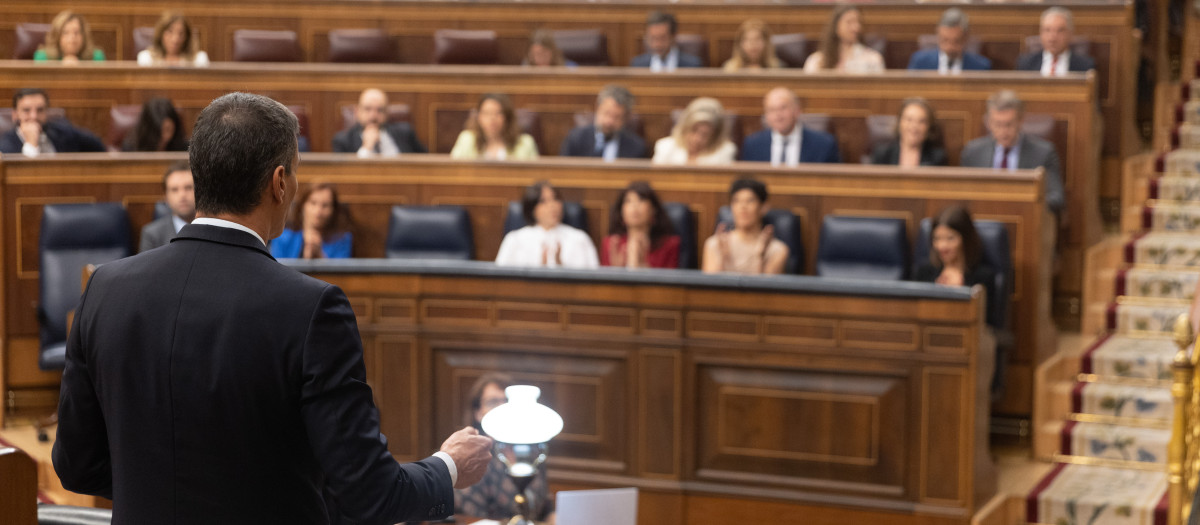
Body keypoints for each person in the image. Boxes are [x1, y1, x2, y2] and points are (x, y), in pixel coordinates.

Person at [52, 92, 492, 523]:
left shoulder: (105, 288)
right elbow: (370, 494)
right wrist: (448, 466)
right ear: (279, 183)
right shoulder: (312, 308)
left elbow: (77, 465)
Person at [455, 373, 554, 522]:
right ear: (477, 413)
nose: (502, 408)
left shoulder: (534, 451)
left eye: (507, 402)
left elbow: (544, 507)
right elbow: (473, 518)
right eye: (493, 402)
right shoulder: (471, 456)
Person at [960, 90, 1064, 215]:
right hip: (984, 218)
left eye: (1009, 125)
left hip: (1025, 217)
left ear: (1020, 121)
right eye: (998, 124)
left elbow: (1057, 198)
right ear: (989, 123)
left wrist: (1025, 204)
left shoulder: (1043, 153)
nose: (1003, 131)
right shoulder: (973, 152)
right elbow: (962, 195)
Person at [912, 205, 997, 316]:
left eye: (950, 238)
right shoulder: (924, 272)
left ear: (965, 239)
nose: (942, 246)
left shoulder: (983, 277)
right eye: (937, 238)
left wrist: (961, 291)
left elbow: (987, 321)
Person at [495, 181, 599, 268]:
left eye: (555, 199)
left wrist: (563, 273)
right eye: (543, 201)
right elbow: (499, 281)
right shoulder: (514, 239)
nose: (552, 206)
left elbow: (594, 281)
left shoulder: (580, 239)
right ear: (532, 208)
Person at [702, 178, 788, 275]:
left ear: (764, 207)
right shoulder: (715, 244)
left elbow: (767, 288)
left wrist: (760, 257)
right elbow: (711, 287)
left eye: (750, 201)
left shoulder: (777, 250)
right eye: (736, 201)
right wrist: (723, 258)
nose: (743, 206)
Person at [741, 87, 840, 165]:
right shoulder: (753, 145)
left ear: (797, 110)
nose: (778, 115)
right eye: (771, 110)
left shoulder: (823, 145)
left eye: (783, 108)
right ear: (766, 116)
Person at [0, 88, 105, 156]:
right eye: (26, 110)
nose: (34, 116)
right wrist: (31, 143)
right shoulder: (5, 145)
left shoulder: (64, 132)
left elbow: (99, 148)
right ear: (15, 115)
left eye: (40, 110)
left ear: (47, 112)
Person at [601, 181, 680, 269]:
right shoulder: (611, 244)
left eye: (641, 199)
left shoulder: (669, 245)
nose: (635, 206)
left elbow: (671, 281)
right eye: (628, 201)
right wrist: (616, 270)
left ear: (653, 209)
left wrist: (643, 265)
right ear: (621, 212)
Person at [559, 84, 646, 160]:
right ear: (597, 108)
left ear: (626, 118)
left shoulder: (636, 148)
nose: (609, 121)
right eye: (606, 113)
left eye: (616, 117)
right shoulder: (576, 139)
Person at [332, 88, 427, 157]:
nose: (373, 116)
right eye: (367, 109)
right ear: (357, 112)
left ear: (387, 113)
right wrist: (366, 148)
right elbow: (343, 174)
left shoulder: (405, 133)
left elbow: (426, 161)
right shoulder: (343, 141)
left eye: (380, 110)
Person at [269, 181, 353, 259]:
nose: (318, 211)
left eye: (325, 205)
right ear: (302, 205)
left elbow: (340, 274)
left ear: (333, 210)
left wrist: (320, 255)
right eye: (313, 203)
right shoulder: (282, 237)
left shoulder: (342, 240)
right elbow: (275, 270)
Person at [450, 93, 539, 161]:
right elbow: (453, 172)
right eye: (486, 113)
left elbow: (536, 178)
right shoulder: (466, 140)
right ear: (478, 117)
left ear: (507, 116)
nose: (492, 119)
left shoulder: (525, 144)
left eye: (498, 113)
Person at [651, 97, 737, 165]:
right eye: (694, 130)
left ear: (715, 135)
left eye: (705, 134)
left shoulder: (725, 151)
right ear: (685, 127)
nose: (697, 138)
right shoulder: (665, 147)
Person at [869, 97, 948, 167]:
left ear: (929, 126)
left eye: (921, 121)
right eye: (909, 119)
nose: (914, 126)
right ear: (900, 122)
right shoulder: (883, 154)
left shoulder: (937, 158)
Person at [907, 8, 992, 73]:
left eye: (956, 41)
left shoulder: (981, 66)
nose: (949, 47)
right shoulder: (920, 62)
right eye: (945, 40)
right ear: (938, 36)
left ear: (966, 39)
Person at [803, 5, 884, 73]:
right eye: (849, 22)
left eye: (858, 22)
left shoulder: (872, 59)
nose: (856, 28)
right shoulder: (816, 60)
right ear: (835, 26)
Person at [1016, 7, 1095, 75]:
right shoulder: (1025, 64)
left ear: (1070, 34)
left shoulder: (1085, 66)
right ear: (1040, 33)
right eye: (1047, 30)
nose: (1053, 37)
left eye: (1060, 31)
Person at [138, 160, 195, 253]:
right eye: (174, 190)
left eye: (188, 188)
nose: (182, 195)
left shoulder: (211, 230)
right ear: (166, 196)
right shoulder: (152, 234)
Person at [630, 11, 703, 71]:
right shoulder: (638, 65)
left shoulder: (693, 65)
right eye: (653, 38)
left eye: (662, 38)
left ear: (673, 37)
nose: (657, 44)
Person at [136, 11, 210, 67]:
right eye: (170, 32)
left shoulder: (199, 60)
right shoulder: (146, 58)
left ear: (187, 37)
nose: (175, 39)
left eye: (181, 33)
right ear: (161, 33)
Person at [33, 11, 105, 63]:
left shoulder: (96, 57)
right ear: (57, 36)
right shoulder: (42, 57)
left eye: (76, 32)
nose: (72, 37)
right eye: (66, 33)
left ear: (84, 36)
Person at [122, 97, 188, 152]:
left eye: (168, 129)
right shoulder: (131, 147)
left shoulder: (184, 147)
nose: (165, 137)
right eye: (158, 131)